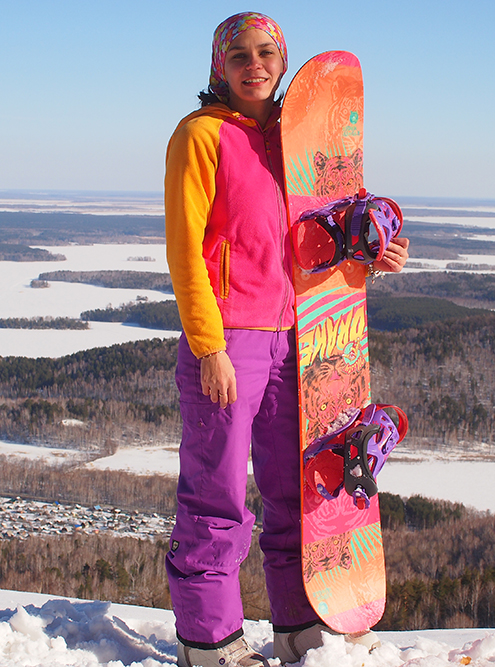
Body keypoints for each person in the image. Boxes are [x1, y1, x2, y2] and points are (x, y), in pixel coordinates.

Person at [164, 12, 409, 667]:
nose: (254, 64)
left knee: (293, 493)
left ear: (283, 59)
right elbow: (186, 249)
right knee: (217, 500)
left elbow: (323, 240)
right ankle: (208, 641)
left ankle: (301, 625)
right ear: (220, 67)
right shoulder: (202, 136)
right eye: (239, 54)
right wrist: (208, 344)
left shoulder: (301, 141)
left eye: (266, 51)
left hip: (300, 341)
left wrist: (370, 251)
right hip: (229, 340)